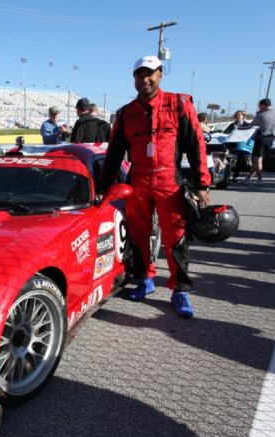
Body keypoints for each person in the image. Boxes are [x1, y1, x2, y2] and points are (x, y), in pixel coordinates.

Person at [99, 55, 211, 318]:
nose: (145, 79)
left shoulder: (179, 103)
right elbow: (114, 152)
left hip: (168, 181)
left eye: (150, 73)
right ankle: (144, 278)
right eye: (139, 74)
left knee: (176, 236)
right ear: (134, 78)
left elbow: (196, 146)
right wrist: (104, 186)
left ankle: (180, 289)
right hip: (138, 181)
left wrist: (202, 184)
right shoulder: (126, 113)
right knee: (138, 234)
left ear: (160, 74)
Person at [243, 98, 275, 185]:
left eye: (259, 106)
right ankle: (248, 178)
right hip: (271, 139)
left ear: (263, 105)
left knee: (257, 160)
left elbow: (251, 125)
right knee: (257, 160)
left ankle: (260, 180)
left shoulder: (261, 115)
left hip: (262, 137)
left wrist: (240, 128)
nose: (258, 108)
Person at [223, 110, 252, 181]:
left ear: (243, 116)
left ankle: (235, 176)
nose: (238, 116)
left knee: (240, 159)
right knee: (228, 159)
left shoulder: (248, 125)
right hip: (232, 145)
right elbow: (226, 133)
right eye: (236, 115)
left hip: (242, 145)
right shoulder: (232, 125)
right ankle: (227, 174)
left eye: (239, 115)